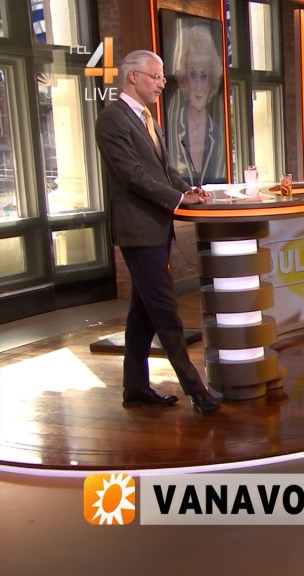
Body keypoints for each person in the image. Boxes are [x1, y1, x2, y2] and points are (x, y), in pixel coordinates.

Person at [95, 50, 220, 414]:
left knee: (142, 313)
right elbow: (132, 175)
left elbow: (165, 171)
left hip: (157, 228)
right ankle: (198, 392)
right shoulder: (112, 119)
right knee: (165, 312)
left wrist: (189, 192)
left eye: (162, 77)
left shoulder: (148, 119)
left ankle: (134, 387)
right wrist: (177, 199)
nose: (162, 83)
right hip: (138, 231)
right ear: (132, 77)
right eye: (155, 76)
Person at [166, 25, 226, 186]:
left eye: (204, 76)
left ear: (211, 80)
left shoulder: (217, 133)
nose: (199, 87)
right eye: (193, 75)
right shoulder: (171, 126)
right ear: (184, 80)